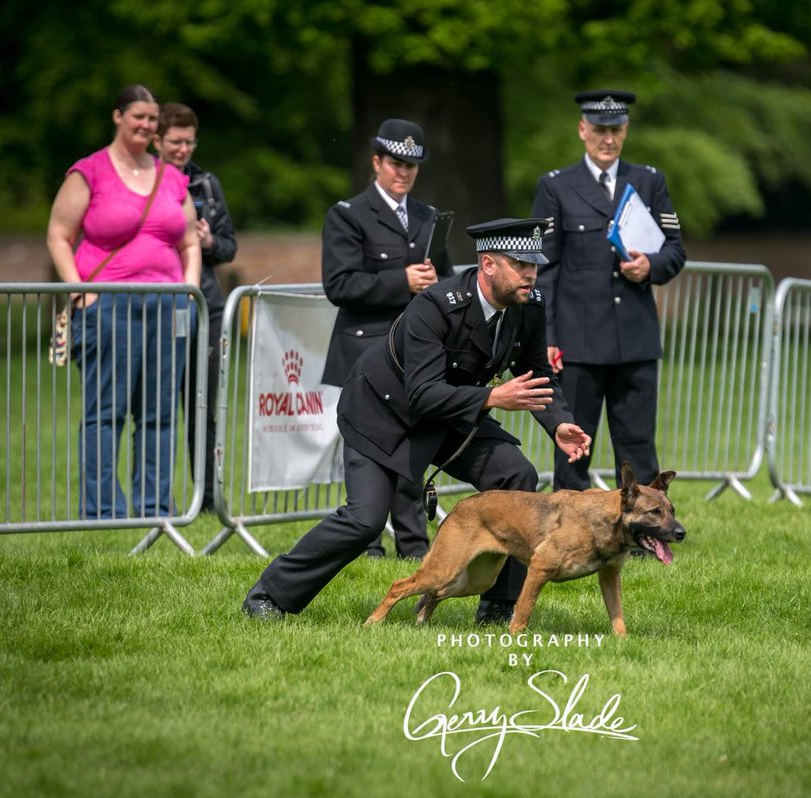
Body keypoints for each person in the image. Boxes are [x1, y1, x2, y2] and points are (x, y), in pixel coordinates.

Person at [242, 218, 592, 624]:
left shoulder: (527, 306)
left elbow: (538, 374)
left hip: (452, 414)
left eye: (534, 265)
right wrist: (493, 397)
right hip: (383, 415)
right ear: (488, 264)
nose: (531, 274)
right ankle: (268, 595)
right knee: (364, 519)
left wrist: (559, 424)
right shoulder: (436, 306)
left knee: (515, 476)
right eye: (520, 264)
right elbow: (421, 393)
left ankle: (499, 607)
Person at [46, 84, 201, 518]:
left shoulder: (171, 178)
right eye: (139, 116)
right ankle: (102, 511)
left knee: (160, 412)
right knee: (106, 412)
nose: (146, 125)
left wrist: (188, 293)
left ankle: (155, 507)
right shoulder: (90, 172)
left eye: (153, 119)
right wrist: (80, 289)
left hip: (168, 307)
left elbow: (189, 240)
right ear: (117, 116)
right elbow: (59, 235)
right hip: (109, 305)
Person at [531, 89, 686, 492]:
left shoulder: (649, 181)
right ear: (583, 129)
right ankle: (569, 541)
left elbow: (674, 250)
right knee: (574, 448)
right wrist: (546, 337)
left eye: (615, 129)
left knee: (638, 449)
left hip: (634, 339)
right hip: (577, 343)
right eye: (599, 129)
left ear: (626, 130)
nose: (608, 139)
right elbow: (543, 271)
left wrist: (650, 266)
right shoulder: (556, 187)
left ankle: (644, 534)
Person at [320, 118, 452, 559]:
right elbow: (339, 284)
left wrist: (435, 285)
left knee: (413, 452)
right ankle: (368, 544)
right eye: (396, 163)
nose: (404, 172)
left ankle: (414, 546)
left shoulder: (429, 217)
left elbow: (446, 281)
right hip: (365, 352)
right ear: (376, 162)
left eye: (412, 165)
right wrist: (402, 281)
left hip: (415, 356)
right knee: (369, 453)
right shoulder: (348, 214)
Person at [154, 102, 238, 513]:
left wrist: (207, 243)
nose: (183, 149)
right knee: (158, 406)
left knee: (202, 405)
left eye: (189, 142)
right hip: (156, 305)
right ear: (158, 141)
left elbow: (229, 247)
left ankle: (204, 499)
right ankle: (158, 498)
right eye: (175, 142)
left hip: (206, 305)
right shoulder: (141, 181)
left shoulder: (206, 184)